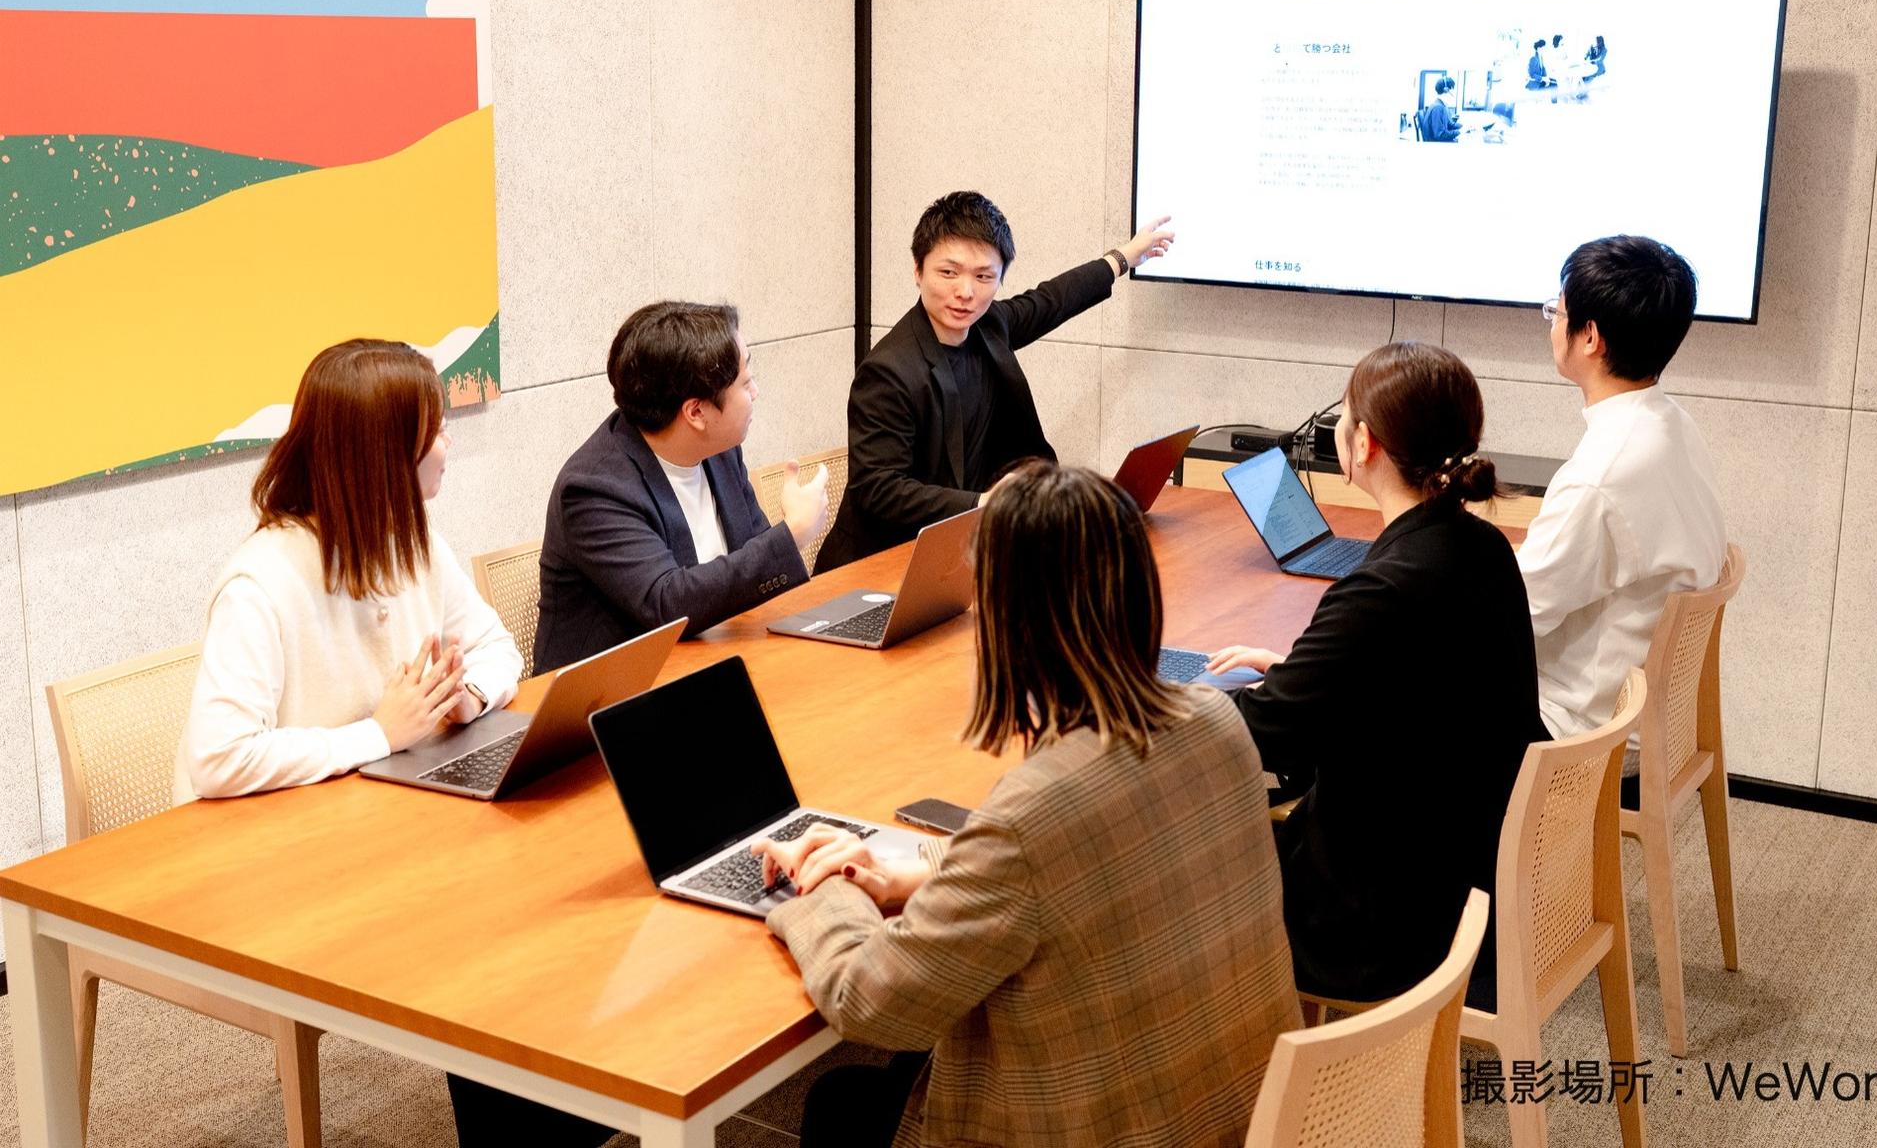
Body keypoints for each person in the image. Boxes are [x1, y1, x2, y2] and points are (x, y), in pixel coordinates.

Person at [757, 463, 1301, 1147]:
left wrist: (823, 891)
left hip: (1102, 1127)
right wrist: (908, 872)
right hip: (1241, 1120)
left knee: (843, 1102)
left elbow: (868, 1004)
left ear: (1006, 621)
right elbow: (1071, 858)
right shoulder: (1215, 720)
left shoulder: (1034, 814)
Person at [1204, 342, 1544, 1009]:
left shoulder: (1381, 591)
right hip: (1465, 869)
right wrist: (1303, 672)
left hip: (1381, 922)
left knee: (1172, 862)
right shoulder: (1481, 546)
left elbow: (1262, 738)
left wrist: (1157, 698)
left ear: (1363, 444)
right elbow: (1415, 689)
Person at [174, 339, 521, 803]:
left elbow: (496, 647)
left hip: (376, 806)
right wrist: (379, 735)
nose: (448, 443)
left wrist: (467, 696)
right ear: (384, 456)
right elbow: (219, 759)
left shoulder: (414, 543)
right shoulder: (259, 584)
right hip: (276, 830)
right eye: (437, 431)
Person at [814, 191, 1174, 569]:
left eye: (984, 276)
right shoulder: (888, 371)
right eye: (948, 273)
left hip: (956, 551)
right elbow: (878, 488)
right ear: (918, 271)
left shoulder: (988, 326)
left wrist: (1124, 257)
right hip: (877, 563)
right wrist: (982, 503)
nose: (965, 292)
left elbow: (1052, 300)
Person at [1523, 236, 1726, 801]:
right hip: (1646, 717)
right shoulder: (1673, 423)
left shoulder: (1600, 477)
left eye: (1557, 311)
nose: (1552, 324)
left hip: (1581, 734)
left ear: (1590, 336)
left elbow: (1513, 614)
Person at [532, 301, 827, 671]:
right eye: (745, 382)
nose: (755, 392)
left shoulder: (719, 450)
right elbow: (668, 605)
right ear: (696, 412)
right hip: (619, 692)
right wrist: (793, 534)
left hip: (713, 664)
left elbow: (751, 565)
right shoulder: (594, 489)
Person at [1420, 75, 1462, 142]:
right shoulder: (1438, 108)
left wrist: (1463, 127)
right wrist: (1459, 132)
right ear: (1446, 90)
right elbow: (1440, 135)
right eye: (1453, 90)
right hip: (1436, 144)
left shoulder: (1442, 105)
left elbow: (1449, 125)